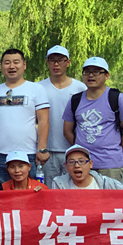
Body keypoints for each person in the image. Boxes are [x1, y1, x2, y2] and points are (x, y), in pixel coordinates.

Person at [63, 57, 123, 182]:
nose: (91, 75)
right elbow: (67, 131)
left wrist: (117, 151)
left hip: (110, 164)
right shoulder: (75, 100)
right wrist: (81, 148)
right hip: (82, 163)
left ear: (106, 75)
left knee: (108, 194)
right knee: (83, 195)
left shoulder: (117, 98)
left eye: (96, 72)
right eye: (87, 72)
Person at [0, 49, 50, 184]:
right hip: (0, 154)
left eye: (16, 62)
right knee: (2, 192)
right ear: (2, 66)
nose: (11, 66)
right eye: (7, 63)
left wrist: (42, 148)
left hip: (29, 154)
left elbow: (43, 120)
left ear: (24, 65)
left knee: (30, 192)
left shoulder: (36, 89)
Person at [37, 46, 87, 186]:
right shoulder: (39, 88)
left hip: (72, 149)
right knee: (48, 189)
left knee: (72, 189)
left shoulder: (80, 88)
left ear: (68, 62)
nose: (56, 64)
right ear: (47, 62)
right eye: (52, 60)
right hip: (47, 151)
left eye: (60, 60)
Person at [51, 144, 123, 190]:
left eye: (81, 161)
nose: (77, 165)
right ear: (66, 166)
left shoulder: (106, 183)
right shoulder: (59, 184)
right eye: (71, 162)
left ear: (90, 164)